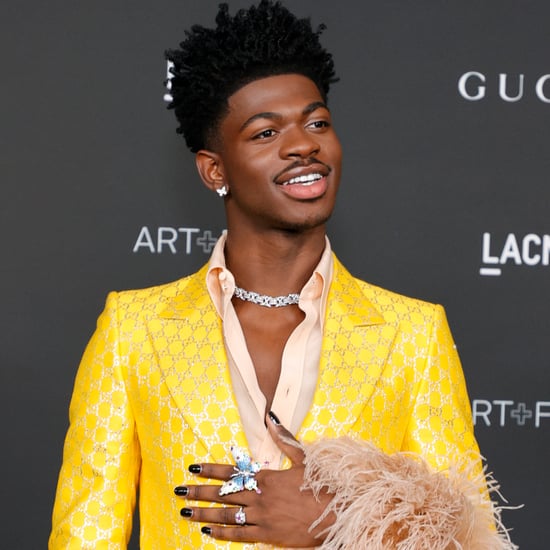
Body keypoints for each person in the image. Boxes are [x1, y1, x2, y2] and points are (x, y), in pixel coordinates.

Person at [49, 1, 515, 548]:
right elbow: (84, 536)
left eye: (317, 122)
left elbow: (471, 534)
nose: (303, 145)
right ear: (214, 169)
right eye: (265, 133)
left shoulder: (413, 335)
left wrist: (338, 523)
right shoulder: (133, 331)